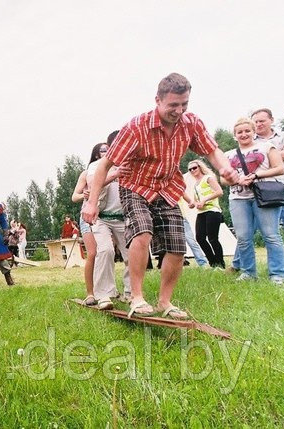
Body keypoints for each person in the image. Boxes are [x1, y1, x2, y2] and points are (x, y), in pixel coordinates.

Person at [83, 73, 238, 319]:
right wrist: (91, 203)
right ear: (158, 100)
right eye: (173, 105)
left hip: (167, 187)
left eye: (184, 104)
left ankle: (165, 302)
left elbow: (212, 150)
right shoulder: (137, 126)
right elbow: (104, 165)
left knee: (177, 245)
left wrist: (225, 168)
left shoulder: (191, 123)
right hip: (135, 186)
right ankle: (137, 297)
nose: (179, 111)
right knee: (142, 232)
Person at [223, 117, 284, 284]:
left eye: (247, 131)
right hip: (238, 197)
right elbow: (223, 180)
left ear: (253, 132)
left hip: (264, 196)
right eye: (240, 132)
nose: (243, 134)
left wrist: (256, 175)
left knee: (271, 235)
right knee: (243, 237)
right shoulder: (228, 154)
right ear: (234, 135)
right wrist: (237, 180)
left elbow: (279, 168)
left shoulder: (266, 146)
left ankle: (278, 274)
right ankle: (248, 273)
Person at [84, 145, 130, 310]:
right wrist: (115, 174)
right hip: (101, 216)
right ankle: (104, 295)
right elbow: (91, 184)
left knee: (131, 255)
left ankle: (130, 293)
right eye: (104, 150)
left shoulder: (128, 162)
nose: (107, 151)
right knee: (105, 250)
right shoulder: (96, 166)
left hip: (123, 217)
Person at [252, 108, 284, 274]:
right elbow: (251, 160)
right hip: (266, 190)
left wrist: (269, 154)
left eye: (262, 121)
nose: (258, 124)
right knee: (270, 232)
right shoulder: (252, 140)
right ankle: (277, 270)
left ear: (271, 120)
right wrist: (279, 154)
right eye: (256, 122)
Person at [72, 143, 109, 306]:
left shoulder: (112, 171)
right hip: (88, 215)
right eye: (103, 150)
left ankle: (107, 291)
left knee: (106, 252)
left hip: (106, 216)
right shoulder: (87, 173)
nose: (106, 152)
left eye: (109, 150)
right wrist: (84, 195)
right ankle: (90, 293)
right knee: (93, 253)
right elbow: (74, 196)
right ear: (96, 155)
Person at [187, 159, 225, 268]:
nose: (192, 170)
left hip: (212, 210)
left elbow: (219, 191)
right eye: (190, 169)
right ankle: (213, 262)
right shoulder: (195, 184)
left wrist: (205, 200)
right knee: (200, 238)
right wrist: (193, 204)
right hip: (202, 212)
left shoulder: (208, 178)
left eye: (194, 168)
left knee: (213, 238)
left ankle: (220, 263)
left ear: (200, 167)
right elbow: (196, 199)